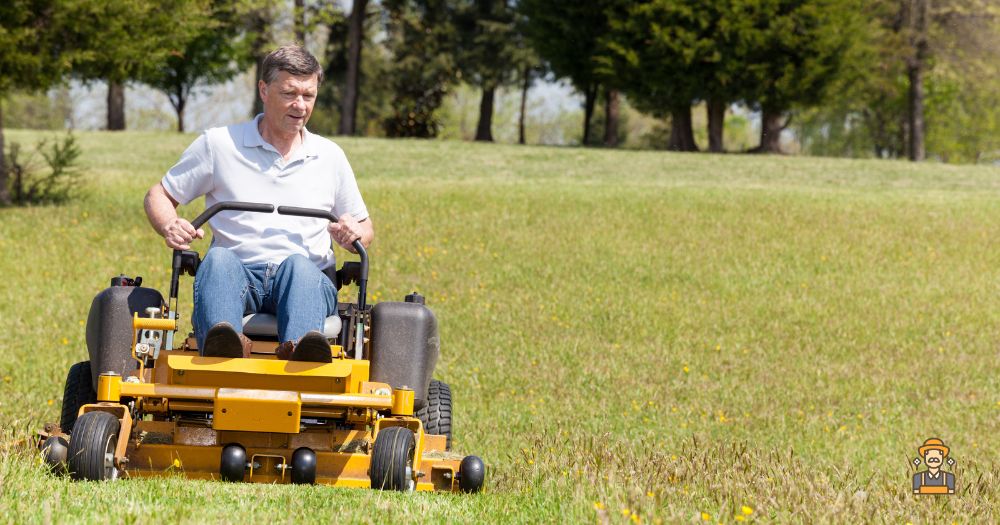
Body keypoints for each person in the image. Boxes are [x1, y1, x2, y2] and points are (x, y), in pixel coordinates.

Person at [143, 45, 373, 362]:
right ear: (264, 90)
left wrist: (354, 234)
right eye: (290, 93)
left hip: (305, 280)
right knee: (220, 259)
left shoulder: (329, 156)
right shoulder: (219, 144)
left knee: (299, 266)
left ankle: (302, 351)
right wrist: (170, 224)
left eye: (309, 96)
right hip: (237, 276)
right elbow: (159, 195)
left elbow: (364, 227)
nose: (300, 105)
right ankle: (223, 344)